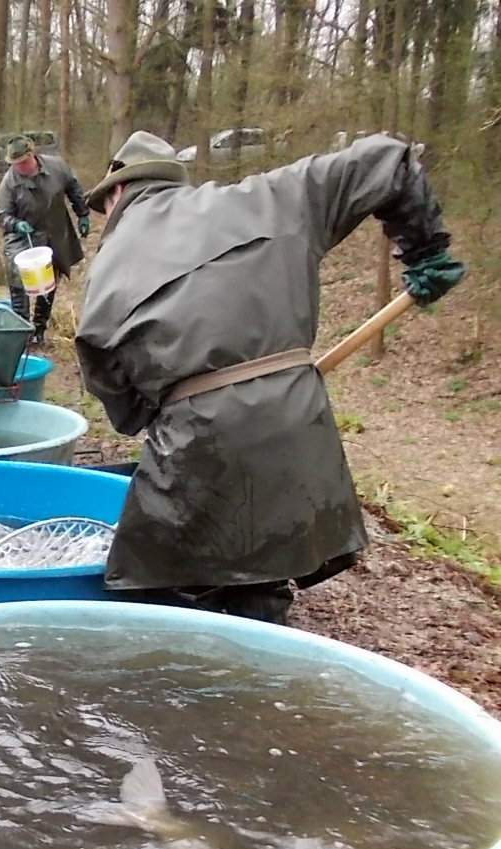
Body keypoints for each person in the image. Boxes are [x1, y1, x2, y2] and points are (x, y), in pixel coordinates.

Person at [76, 130, 465, 625]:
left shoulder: (112, 261)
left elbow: (104, 366)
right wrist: (426, 250)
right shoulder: (271, 197)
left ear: (118, 191)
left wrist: (140, 414)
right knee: (261, 564)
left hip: (197, 432)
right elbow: (388, 160)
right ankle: (263, 628)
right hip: (297, 419)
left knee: (153, 583)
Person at [0, 135, 88, 347]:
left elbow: (73, 188)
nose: (20, 167)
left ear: (33, 155)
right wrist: (15, 223)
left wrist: (82, 213)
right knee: (19, 280)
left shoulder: (57, 167)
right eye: (15, 164)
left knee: (48, 281)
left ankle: (39, 329)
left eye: (23, 162)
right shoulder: (9, 183)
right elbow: (2, 214)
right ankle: (21, 331)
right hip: (21, 236)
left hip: (54, 231)